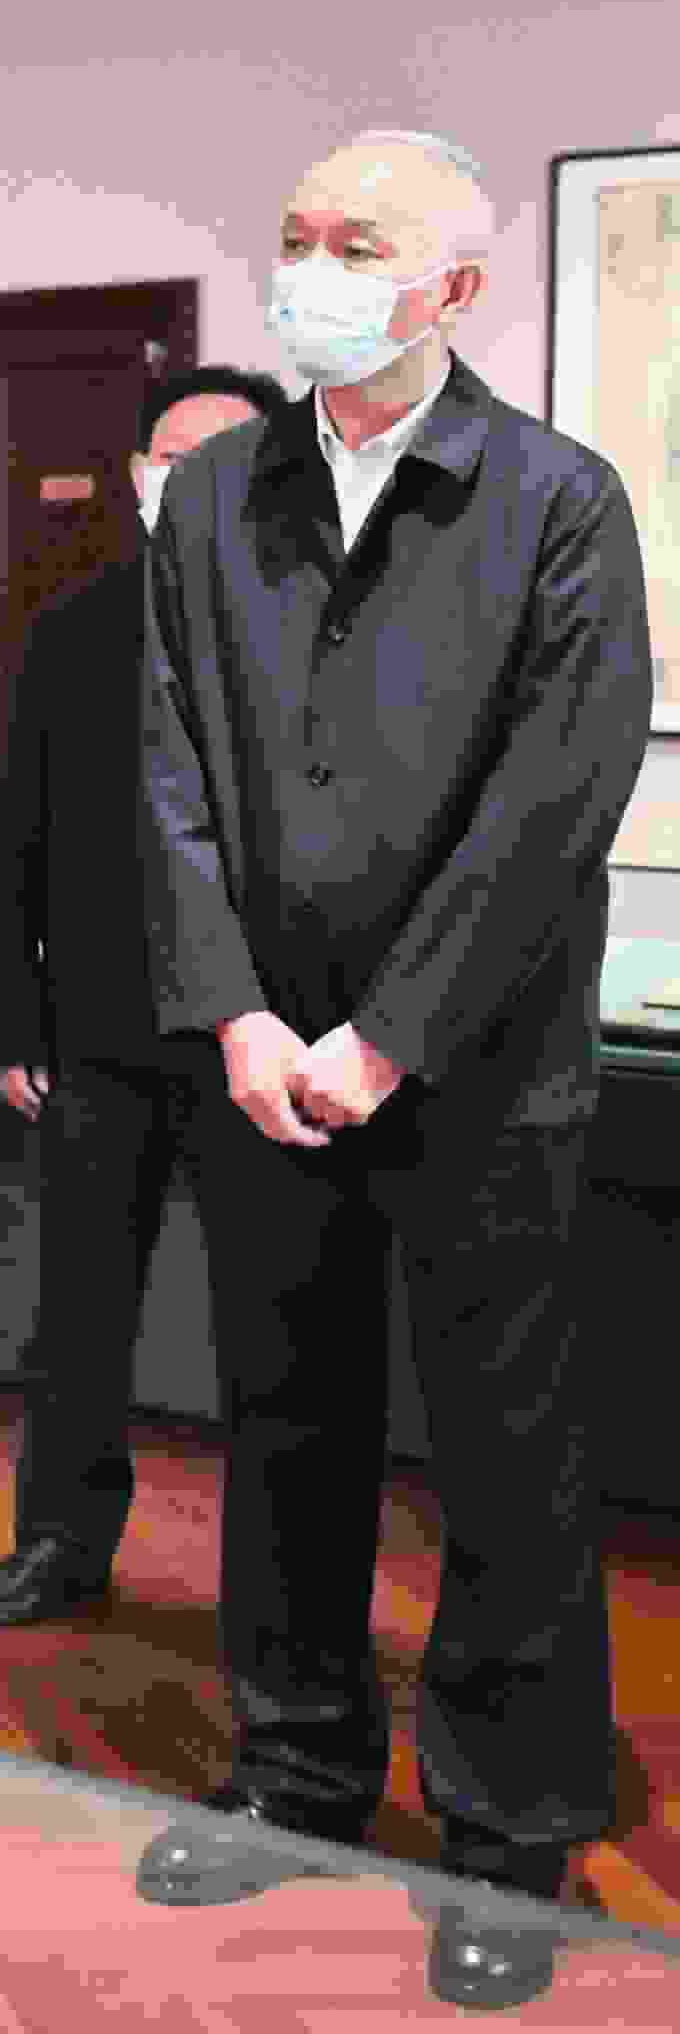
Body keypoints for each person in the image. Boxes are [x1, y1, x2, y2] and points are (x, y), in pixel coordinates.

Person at [132, 130, 652, 2011]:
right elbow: (170, 763)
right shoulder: (217, 495)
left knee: (507, 1456)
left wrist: (389, 1032)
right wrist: (239, 1013)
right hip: (267, 1063)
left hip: (479, 1067)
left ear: (455, 287)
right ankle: (297, 1768)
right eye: (296, 236)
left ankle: (511, 1825)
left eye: (359, 243)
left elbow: (556, 798)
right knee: (286, 1426)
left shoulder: (557, 498)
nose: (315, 271)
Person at [0, 366, 282, 1630]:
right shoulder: (76, 629)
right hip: (99, 1029)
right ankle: (59, 1538)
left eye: (223, 455)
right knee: (78, 1313)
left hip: (260, 1037)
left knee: (274, 1321)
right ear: (137, 476)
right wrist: (10, 1012)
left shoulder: (321, 625)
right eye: (170, 455)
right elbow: (21, 839)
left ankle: (279, 1582)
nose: (189, 478)